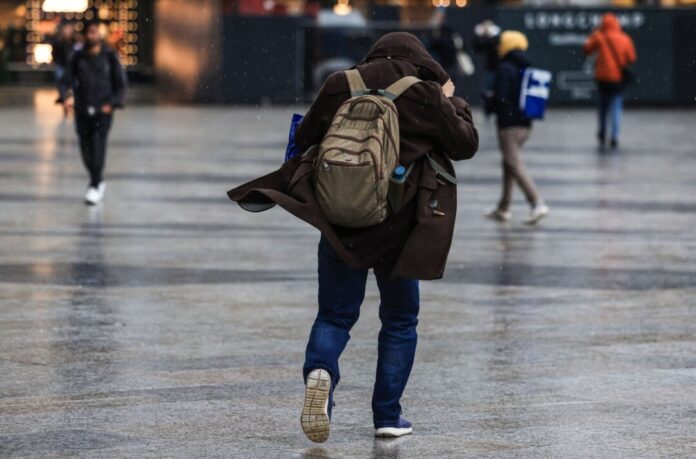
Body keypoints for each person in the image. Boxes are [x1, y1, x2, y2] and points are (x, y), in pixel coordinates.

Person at [227, 32, 478, 441]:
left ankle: (321, 372)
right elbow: (466, 145)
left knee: (334, 314)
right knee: (399, 319)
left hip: (342, 220)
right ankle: (387, 416)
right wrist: (450, 101)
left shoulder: (342, 83)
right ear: (420, 61)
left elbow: (305, 139)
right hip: (400, 227)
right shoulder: (427, 93)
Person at [58, 20, 127, 205]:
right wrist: (66, 97)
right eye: (89, 32)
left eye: (95, 32)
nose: (92, 35)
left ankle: (95, 184)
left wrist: (112, 104)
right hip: (82, 109)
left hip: (102, 111)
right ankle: (97, 179)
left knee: (97, 145)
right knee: (85, 149)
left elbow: (120, 85)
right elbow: (65, 80)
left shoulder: (110, 57)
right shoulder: (78, 57)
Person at [484, 30, 548, 225]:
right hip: (525, 124)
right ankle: (504, 207)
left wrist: (489, 99)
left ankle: (537, 203)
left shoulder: (505, 67)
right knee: (509, 164)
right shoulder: (526, 66)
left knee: (514, 164)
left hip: (509, 125)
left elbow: (501, 98)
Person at [583, 13, 637, 149]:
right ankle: (615, 135)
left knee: (603, 107)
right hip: (617, 79)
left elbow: (587, 49)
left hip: (602, 78)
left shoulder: (599, 37)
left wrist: (594, 33)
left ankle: (602, 132)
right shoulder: (625, 38)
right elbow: (631, 58)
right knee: (616, 107)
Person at [53, 21, 77, 116]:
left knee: (75, 84)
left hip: (72, 67)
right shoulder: (59, 41)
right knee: (60, 82)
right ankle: (64, 100)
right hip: (62, 65)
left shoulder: (75, 41)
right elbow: (55, 54)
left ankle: (70, 101)